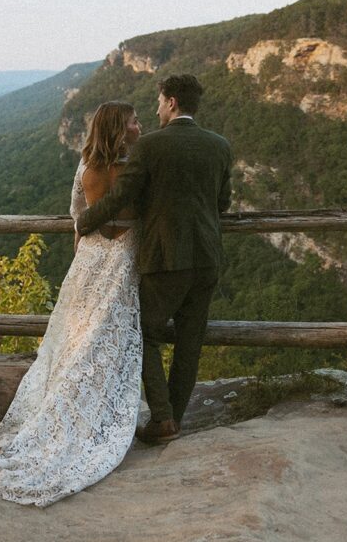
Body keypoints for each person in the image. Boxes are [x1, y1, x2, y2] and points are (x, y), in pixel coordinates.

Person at [0, 101, 144, 507]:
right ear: (120, 128)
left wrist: (82, 257)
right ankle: (101, 412)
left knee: (78, 337)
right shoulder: (136, 170)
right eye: (135, 121)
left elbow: (77, 218)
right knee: (110, 340)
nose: (141, 125)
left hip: (92, 258)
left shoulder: (86, 169)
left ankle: (65, 405)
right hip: (123, 260)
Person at [77, 74, 232, 444]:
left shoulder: (149, 146)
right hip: (208, 258)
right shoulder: (220, 145)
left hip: (165, 256)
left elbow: (121, 196)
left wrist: (84, 221)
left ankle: (162, 417)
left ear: (173, 102)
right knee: (190, 343)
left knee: (143, 333)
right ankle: (173, 420)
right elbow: (222, 203)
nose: (157, 109)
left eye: (160, 102)